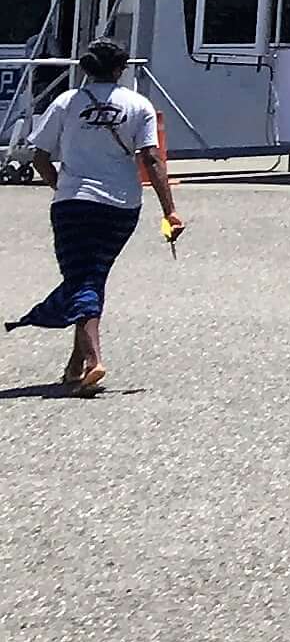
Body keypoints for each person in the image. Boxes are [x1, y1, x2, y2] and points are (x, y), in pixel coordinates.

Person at [11, 37, 180, 398]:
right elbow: (152, 159)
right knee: (90, 275)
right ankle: (74, 367)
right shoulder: (139, 105)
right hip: (121, 206)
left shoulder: (65, 103)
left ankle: (92, 361)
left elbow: (39, 156)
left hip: (73, 204)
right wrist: (170, 210)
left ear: (86, 69)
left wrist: (60, 187)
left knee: (82, 277)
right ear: (120, 69)